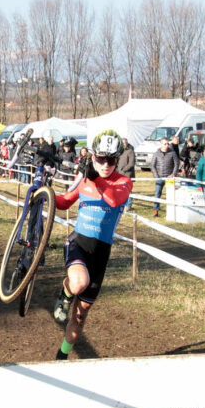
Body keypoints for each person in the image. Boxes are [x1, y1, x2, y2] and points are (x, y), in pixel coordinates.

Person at [51, 130, 133, 361]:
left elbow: (114, 200)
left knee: (80, 316)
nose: (106, 165)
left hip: (100, 253)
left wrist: (95, 179)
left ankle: (61, 355)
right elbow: (64, 202)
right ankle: (66, 292)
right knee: (79, 283)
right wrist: (45, 192)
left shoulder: (124, 182)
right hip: (79, 242)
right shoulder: (85, 179)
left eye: (111, 160)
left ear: (117, 160)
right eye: (101, 159)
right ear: (93, 156)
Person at [150, 137, 180, 217]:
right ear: (161, 144)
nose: (167, 145)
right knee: (157, 194)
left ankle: (171, 212)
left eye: (167, 144)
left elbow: (177, 164)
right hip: (159, 178)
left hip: (169, 178)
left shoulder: (172, 153)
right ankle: (155, 210)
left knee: (171, 195)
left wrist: (173, 174)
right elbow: (152, 166)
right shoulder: (156, 153)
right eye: (165, 144)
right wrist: (156, 176)